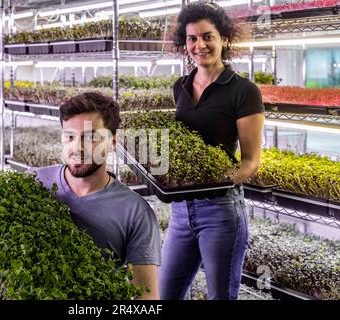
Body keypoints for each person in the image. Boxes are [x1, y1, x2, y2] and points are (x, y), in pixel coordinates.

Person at [159, 0, 265, 300]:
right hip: (181, 210)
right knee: (166, 294)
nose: (200, 45)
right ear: (184, 43)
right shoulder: (180, 86)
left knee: (220, 295)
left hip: (221, 210)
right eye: (192, 38)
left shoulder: (243, 90)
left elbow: (250, 161)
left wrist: (221, 178)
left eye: (208, 36)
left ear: (224, 39)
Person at [29, 91, 161, 300]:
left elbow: (146, 298)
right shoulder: (33, 183)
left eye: (91, 138)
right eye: (70, 137)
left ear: (113, 143)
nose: (77, 148)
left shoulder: (135, 212)